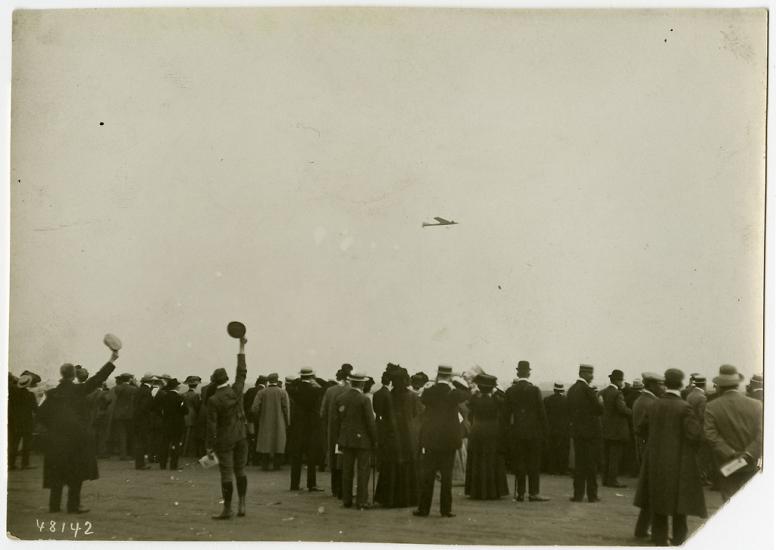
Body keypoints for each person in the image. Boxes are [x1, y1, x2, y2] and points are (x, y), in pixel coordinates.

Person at [36, 349, 119, 513]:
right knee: (76, 472)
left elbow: (41, 415)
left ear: (61, 374)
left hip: (56, 439)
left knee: (57, 471)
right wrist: (111, 360)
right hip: (76, 438)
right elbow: (97, 379)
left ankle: (54, 505)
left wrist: (53, 427)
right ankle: (73, 506)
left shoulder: (52, 394)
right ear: (73, 375)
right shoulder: (79, 390)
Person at [634, 368, 706, 546]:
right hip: (679, 463)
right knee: (679, 506)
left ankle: (659, 540)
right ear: (681, 384)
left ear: (665, 383)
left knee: (658, 503)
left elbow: (640, 429)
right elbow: (694, 435)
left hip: (655, 462)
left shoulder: (653, 405)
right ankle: (679, 540)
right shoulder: (684, 407)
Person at [413, 365, 471, 518]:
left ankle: (423, 509)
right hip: (449, 440)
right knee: (447, 477)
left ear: (438, 375)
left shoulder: (429, 391)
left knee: (428, 476)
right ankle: (446, 510)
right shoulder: (453, 393)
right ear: (450, 377)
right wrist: (457, 383)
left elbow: (423, 399)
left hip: (431, 439)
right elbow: (467, 394)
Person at [704, 364, 763, 502]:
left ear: (719, 386)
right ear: (737, 385)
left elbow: (711, 436)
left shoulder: (712, 406)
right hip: (751, 463)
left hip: (727, 464)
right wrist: (748, 454)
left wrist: (731, 453)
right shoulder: (757, 405)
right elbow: (762, 435)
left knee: (729, 502)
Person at [206, 336, 249, 519]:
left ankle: (227, 509)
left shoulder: (213, 400)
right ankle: (242, 504)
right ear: (226, 379)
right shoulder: (236, 390)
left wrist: (209, 446)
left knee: (226, 474)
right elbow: (242, 371)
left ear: (215, 381)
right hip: (241, 435)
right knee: (240, 470)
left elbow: (212, 425)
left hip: (225, 440)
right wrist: (241, 347)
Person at [374, 366, 423, 508]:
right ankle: (408, 498)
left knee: (391, 465)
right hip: (408, 435)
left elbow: (381, 416)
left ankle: (389, 498)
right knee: (408, 464)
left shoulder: (387, 395)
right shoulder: (413, 396)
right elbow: (417, 415)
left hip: (392, 434)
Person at [503, 360, 550, 502]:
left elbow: (505, 416)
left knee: (520, 462)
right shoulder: (535, 390)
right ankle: (534, 493)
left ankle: (520, 493)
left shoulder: (510, 391)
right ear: (529, 373)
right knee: (533, 462)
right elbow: (542, 414)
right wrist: (545, 432)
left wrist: (508, 432)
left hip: (517, 432)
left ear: (517, 372)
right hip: (534, 433)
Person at [333, 371, 378, 510]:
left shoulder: (341, 398)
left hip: (346, 439)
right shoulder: (364, 399)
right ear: (363, 383)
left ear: (351, 382)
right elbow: (370, 422)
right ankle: (361, 500)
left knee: (347, 470)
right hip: (362, 440)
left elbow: (337, 421)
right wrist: (375, 439)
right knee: (363, 470)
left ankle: (346, 499)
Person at [631, 372, 665, 540]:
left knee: (649, 493)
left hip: (644, 450)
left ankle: (642, 529)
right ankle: (645, 529)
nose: (663, 387)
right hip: (651, 452)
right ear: (651, 385)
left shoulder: (641, 400)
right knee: (653, 492)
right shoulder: (651, 403)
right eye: (660, 384)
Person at [465, 373, 509, 499]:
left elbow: (469, 414)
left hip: (477, 429)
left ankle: (476, 490)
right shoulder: (496, 399)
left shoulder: (474, 399)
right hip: (493, 430)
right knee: (492, 459)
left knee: (477, 459)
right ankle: (493, 490)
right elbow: (504, 403)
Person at [567, 364, 603, 503]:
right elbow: (599, 410)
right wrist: (600, 402)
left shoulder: (571, 390)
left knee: (579, 464)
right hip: (591, 433)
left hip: (577, 432)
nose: (592, 376)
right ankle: (592, 495)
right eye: (590, 374)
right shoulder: (588, 390)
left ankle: (578, 495)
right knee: (591, 464)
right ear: (583, 374)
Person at [286, 369, 325, 492]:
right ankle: (311, 484)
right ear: (312, 376)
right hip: (312, 426)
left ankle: (294, 484)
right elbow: (326, 386)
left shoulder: (294, 390)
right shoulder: (316, 390)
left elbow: (290, 386)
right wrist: (316, 379)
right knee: (311, 457)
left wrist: (299, 380)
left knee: (296, 457)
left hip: (298, 426)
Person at [320, 364, 352, 498]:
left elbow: (322, 412)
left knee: (334, 458)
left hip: (332, 430)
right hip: (347, 431)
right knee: (346, 459)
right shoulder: (351, 391)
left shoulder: (330, 391)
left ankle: (335, 488)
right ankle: (344, 489)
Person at [251, 373, 290, 471]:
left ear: (268, 381)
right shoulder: (283, 392)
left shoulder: (261, 392)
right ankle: (277, 465)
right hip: (279, 422)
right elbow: (286, 409)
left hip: (265, 421)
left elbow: (254, 408)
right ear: (277, 380)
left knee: (265, 443)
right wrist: (287, 422)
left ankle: (265, 465)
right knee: (278, 442)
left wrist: (259, 416)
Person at [599, 369, 631, 488]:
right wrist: (632, 412)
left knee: (606, 455)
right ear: (618, 381)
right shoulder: (618, 393)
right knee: (615, 456)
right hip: (617, 430)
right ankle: (613, 480)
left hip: (606, 428)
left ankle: (605, 479)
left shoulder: (602, 392)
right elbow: (622, 409)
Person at [9, 371, 40, 470]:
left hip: (14, 422)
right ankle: (25, 464)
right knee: (27, 443)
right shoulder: (30, 395)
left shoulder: (12, 393)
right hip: (27, 422)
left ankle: (11, 464)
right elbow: (35, 409)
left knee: (14, 443)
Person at [159, 378, 186, 470]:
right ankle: (173, 465)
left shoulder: (164, 397)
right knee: (175, 445)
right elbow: (185, 410)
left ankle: (162, 464)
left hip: (166, 423)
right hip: (177, 424)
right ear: (176, 387)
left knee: (164, 444)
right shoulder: (180, 398)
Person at [542, 382, 569, 475]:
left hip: (550, 428)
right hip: (563, 429)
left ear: (554, 390)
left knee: (551, 449)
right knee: (563, 449)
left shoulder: (547, 400)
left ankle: (551, 469)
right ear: (562, 390)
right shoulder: (566, 400)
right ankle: (562, 469)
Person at [132, 374, 156, 470]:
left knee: (139, 441)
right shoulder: (147, 391)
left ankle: (139, 463)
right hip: (143, 419)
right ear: (151, 382)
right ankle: (141, 464)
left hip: (137, 419)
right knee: (142, 442)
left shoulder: (139, 390)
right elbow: (145, 407)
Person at [112, 373, 137, 460]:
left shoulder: (117, 388)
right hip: (130, 413)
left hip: (119, 413)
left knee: (121, 434)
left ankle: (123, 454)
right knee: (131, 434)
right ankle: (132, 453)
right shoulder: (133, 389)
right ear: (129, 379)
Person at [243, 375, 266, 465]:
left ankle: (248, 459)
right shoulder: (264, 391)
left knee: (249, 439)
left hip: (249, 418)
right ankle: (257, 459)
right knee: (258, 438)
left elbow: (244, 404)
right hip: (260, 419)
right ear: (265, 383)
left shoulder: (250, 390)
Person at [181, 376, 202, 457]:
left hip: (184, 415)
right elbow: (197, 406)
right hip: (192, 415)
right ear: (196, 385)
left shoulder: (183, 394)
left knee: (184, 434)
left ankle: (183, 452)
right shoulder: (196, 395)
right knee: (191, 435)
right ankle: (189, 453)